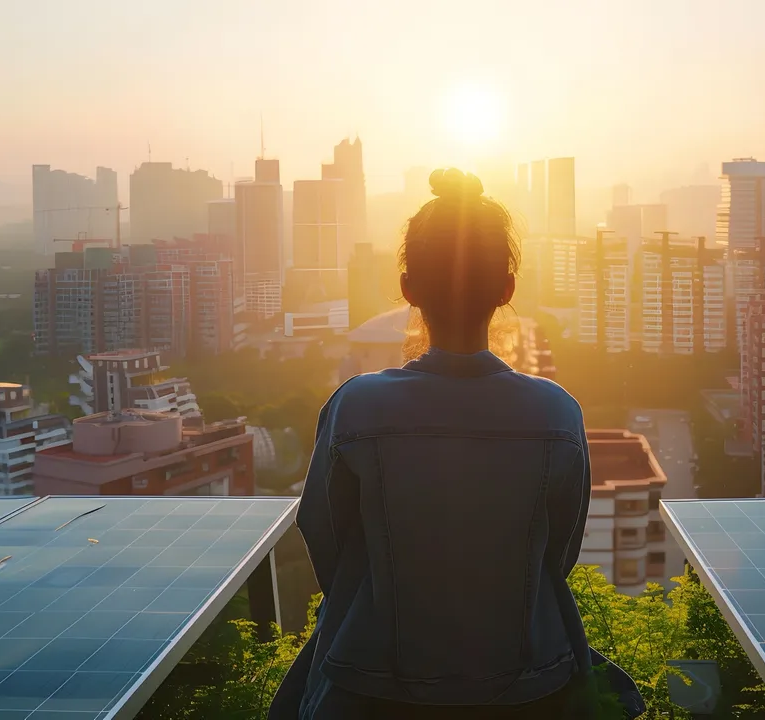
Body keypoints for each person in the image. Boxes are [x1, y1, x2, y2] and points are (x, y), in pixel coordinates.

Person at [268, 169, 641, 719]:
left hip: (371, 683)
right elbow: (556, 553)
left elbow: (327, 536)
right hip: (526, 683)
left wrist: (380, 603)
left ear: (407, 286)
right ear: (506, 288)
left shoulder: (358, 407)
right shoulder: (555, 412)